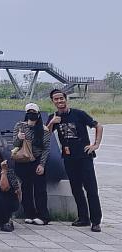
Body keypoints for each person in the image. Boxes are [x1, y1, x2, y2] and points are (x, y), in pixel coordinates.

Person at [47, 88, 103, 232]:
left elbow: (98, 126)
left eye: (61, 98)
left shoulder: (78, 114)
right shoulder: (53, 117)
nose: (59, 101)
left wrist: (95, 144)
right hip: (68, 158)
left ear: (66, 99)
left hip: (84, 157)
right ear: (53, 102)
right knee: (76, 189)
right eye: (56, 99)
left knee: (91, 189)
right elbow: (45, 135)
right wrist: (52, 122)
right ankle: (83, 217)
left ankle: (95, 221)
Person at [12, 103, 51, 225]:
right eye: (29, 113)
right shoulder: (20, 126)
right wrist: (19, 137)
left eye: (34, 113)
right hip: (23, 161)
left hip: (37, 160)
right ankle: (29, 213)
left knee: (40, 189)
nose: (31, 115)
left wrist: (42, 164)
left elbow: (46, 149)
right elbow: (15, 144)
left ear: (38, 115)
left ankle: (43, 216)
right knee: (26, 188)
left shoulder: (44, 130)